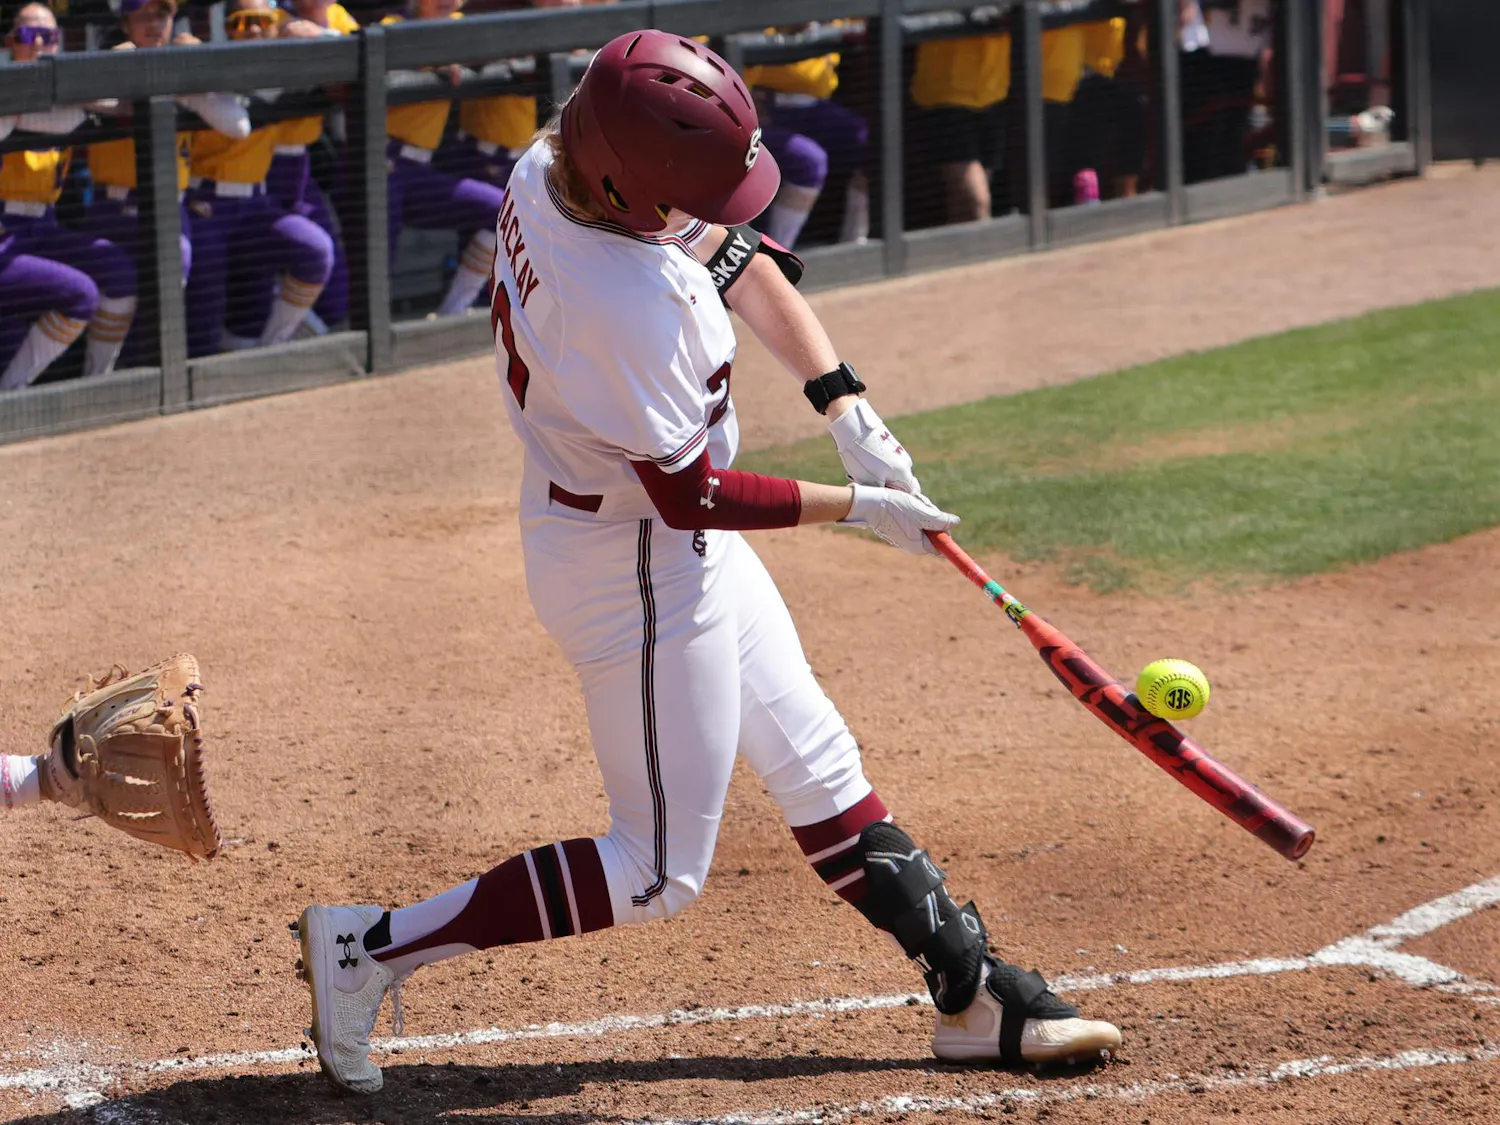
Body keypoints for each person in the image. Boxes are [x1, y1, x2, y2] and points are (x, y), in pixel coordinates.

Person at [294, 31, 1122, 1095]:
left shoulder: (564, 155)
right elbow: (694, 493)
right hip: (631, 562)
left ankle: (972, 995)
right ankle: (367, 948)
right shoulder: (623, 307)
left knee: (818, 763)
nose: (725, 209)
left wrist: (846, 405)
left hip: (647, 533)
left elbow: (732, 255)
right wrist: (857, 506)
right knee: (654, 873)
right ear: (630, 186)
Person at [82, 0, 252, 367]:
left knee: (165, 301)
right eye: (142, 15)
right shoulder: (108, 60)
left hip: (171, 207)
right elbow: (87, 95)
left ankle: (158, 382)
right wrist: (128, 91)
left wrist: (191, 79)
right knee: (118, 300)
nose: (153, 24)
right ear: (125, 23)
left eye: (162, 15)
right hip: (114, 209)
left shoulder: (182, 67)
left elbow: (238, 125)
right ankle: (97, 384)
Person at [180, 0, 335, 355]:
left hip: (256, 205)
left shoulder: (279, 72)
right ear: (227, 29)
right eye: (241, 22)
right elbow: (235, 123)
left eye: (261, 22)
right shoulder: (207, 67)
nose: (251, 29)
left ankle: (273, 347)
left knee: (315, 251)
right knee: (202, 323)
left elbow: (341, 59)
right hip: (205, 204)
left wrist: (315, 31)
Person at [0, 3, 138, 388]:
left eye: (51, 36)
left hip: (42, 227)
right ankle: (11, 398)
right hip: (3, 231)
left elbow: (121, 105)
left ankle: (97, 383)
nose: (41, 43)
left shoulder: (66, 87)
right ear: (11, 41)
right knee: (79, 294)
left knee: (119, 270)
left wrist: (86, 84)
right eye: (30, 35)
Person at [382, 0, 506, 318]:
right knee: (373, 266)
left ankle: (453, 311)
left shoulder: (462, 25)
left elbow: (500, 46)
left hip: (419, 170)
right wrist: (431, 60)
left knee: (499, 210)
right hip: (379, 162)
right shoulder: (392, 25)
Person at [269, 0, 359, 334]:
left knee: (337, 294)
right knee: (264, 270)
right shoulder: (277, 17)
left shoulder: (337, 14)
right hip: (263, 165)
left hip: (301, 166)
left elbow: (357, 63)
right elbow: (297, 32)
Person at [745, 27, 870, 247]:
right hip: (766, 104)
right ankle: (777, 256)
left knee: (868, 142)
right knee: (808, 160)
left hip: (814, 105)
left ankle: (855, 244)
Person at [909, 33, 1011, 223]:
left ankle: (956, 252)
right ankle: (986, 251)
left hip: (993, 92)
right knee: (977, 202)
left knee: (961, 205)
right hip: (946, 95)